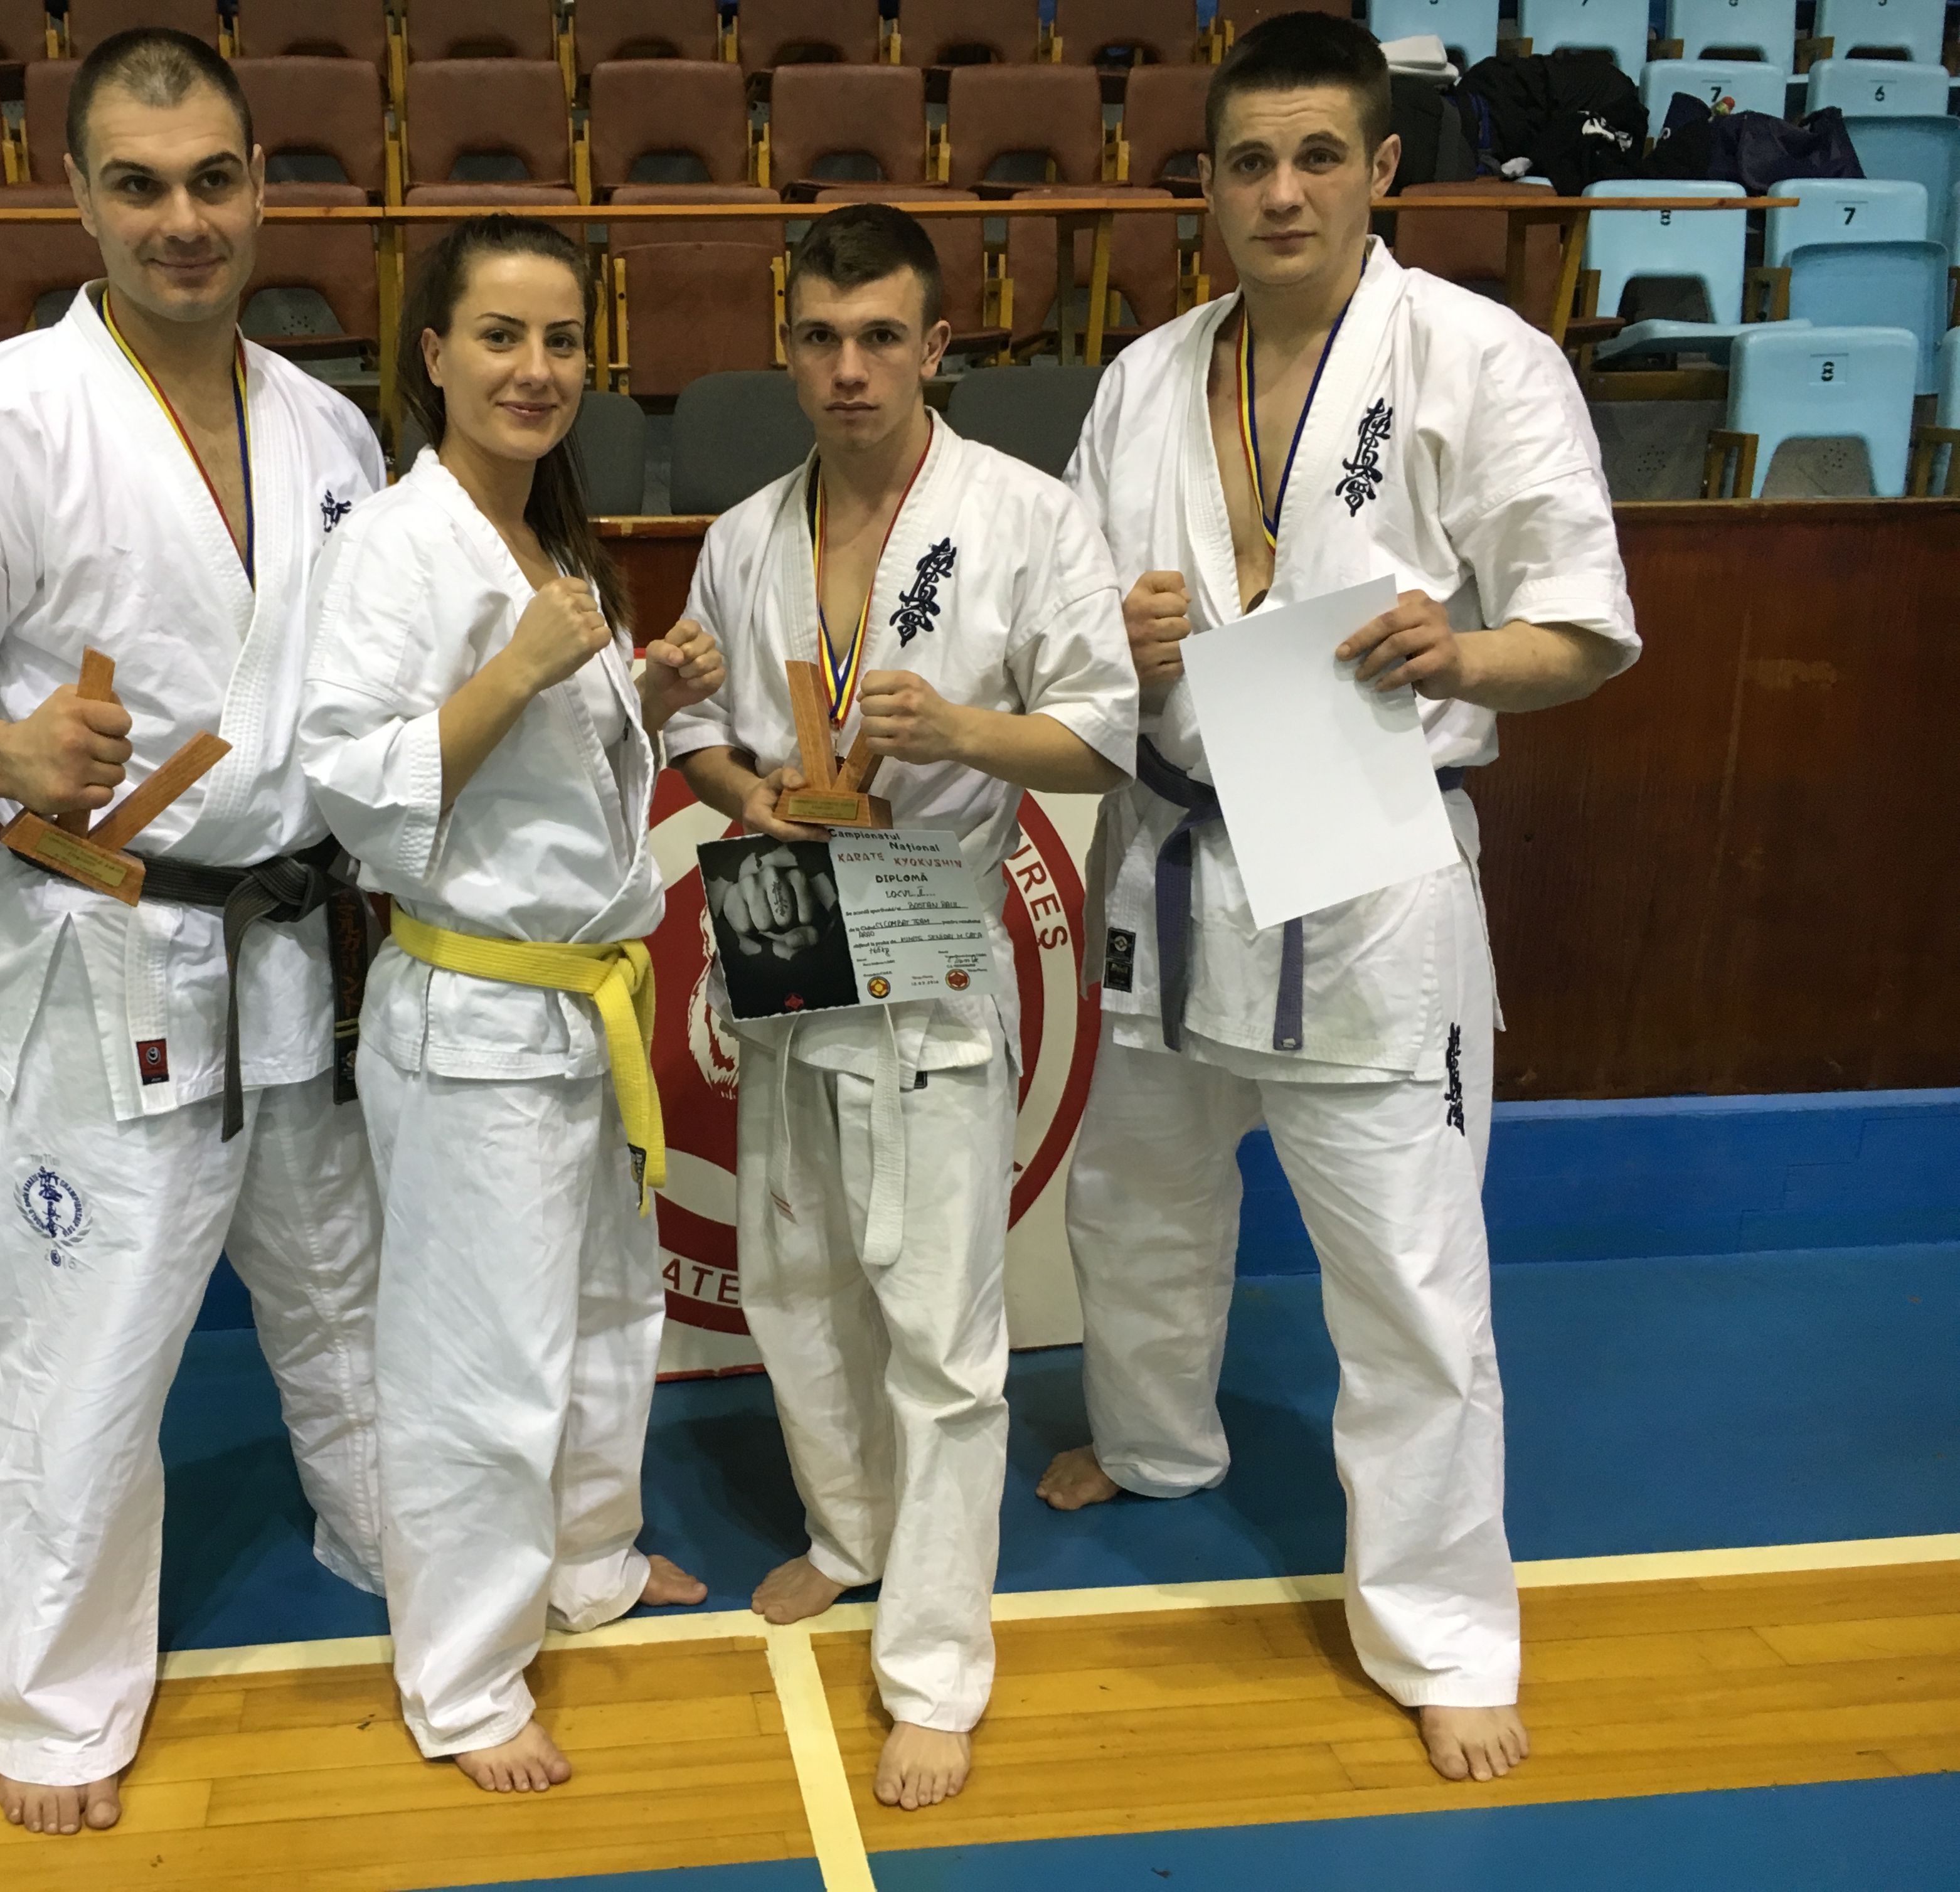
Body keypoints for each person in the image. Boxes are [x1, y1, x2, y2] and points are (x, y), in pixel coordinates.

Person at [1046, 13, 1641, 1785]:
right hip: (1168, 851)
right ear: (1208, 187)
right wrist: (1115, 637)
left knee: (1404, 1272)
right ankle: (1155, 1445)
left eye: (1318, 156)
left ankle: (1444, 1632)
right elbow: (1066, 637)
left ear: (1382, 169)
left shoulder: (1479, 358)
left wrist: (1460, 650)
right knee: (1135, 1202)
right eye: (1248, 162)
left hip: (1370, 869)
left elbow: (1583, 629)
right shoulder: (1143, 378)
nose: (1282, 192)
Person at [0, 29, 392, 1837]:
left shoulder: (330, 429)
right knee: (87, 1337)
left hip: (296, 943)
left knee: (346, 1283)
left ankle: (396, 1542)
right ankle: (54, 1699)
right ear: (76, 196)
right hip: (114, 952)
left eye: (213, 179)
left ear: (261, 188)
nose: (181, 220)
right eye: (138, 186)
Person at [668, 205, 1137, 1812]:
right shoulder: (744, 534)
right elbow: (698, 740)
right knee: (792, 1272)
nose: (849, 368)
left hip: (933, 930)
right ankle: (850, 1529)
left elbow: (1103, 733)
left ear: (937, 346)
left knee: (940, 1324)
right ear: (786, 347)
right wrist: (747, 790)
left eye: (880, 336)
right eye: (820, 337)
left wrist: (967, 730)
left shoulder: (1026, 515)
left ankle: (936, 1663)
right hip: (786, 916)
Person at [299, 216, 725, 1795]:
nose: (534, 369)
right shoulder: (392, 547)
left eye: (559, 341)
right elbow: (354, 785)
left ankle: (587, 1557)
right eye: (499, 336)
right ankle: (467, 1678)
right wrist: (520, 671)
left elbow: (560, 784)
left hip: (579, 1001)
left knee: (610, 1308)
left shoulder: (551, 541)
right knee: (478, 1363)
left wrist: (641, 696)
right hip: (475, 1012)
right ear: (433, 353)